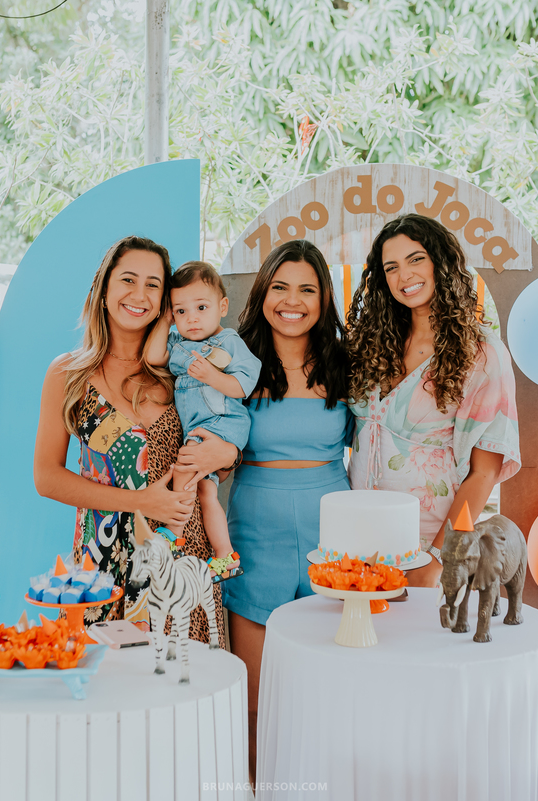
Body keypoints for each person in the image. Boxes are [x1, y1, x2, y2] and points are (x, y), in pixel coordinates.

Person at [32, 235, 238, 642]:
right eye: (128, 279)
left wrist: (226, 453)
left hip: (180, 559)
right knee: (110, 693)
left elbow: (223, 440)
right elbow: (46, 478)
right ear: (104, 288)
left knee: (182, 690)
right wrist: (141, 502)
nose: (139, 294)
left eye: (153, 285)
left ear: (164, 303)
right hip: (102, 563)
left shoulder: (182, 368)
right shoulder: (68, 374)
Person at [223, 239, 354, 773]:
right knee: (252, 700)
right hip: (255, 535)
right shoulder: (232, 360)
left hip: (334, 538)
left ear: (324, 298)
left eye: (307, 289)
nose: (292, 300)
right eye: (280, 287)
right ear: (262, 294)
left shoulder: (348, 364)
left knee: (330, 695)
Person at [345, 213, 521, 588]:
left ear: (441, 262)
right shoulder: (372, 344)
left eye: (415, 259)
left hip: (427, 545)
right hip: (358, 539)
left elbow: (484, 472)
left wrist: (440, 556)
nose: (403, 275)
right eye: (390, 267)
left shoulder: (482, 353)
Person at [146, 260, 259, 577]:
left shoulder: (229, 342)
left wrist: (211, 375)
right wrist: (165, 321)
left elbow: (243, 385)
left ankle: (172, 533)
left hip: (221, 424)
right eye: (180, 311)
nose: (191, 318)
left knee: (184, 469)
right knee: (207, 492)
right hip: (201, 427)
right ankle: (225, 555)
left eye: (201, 307)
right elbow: (155, 357)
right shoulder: (179, 345)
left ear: (222, 306)